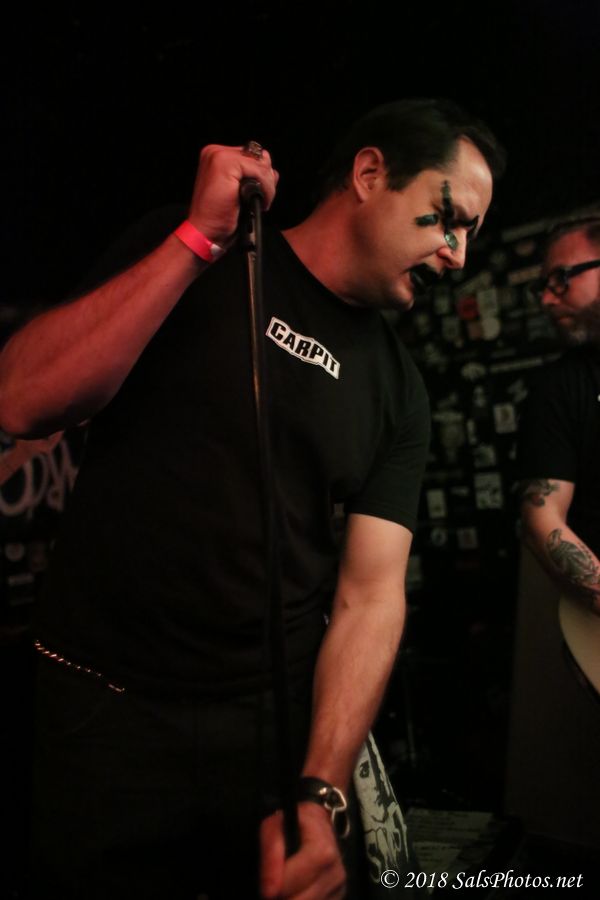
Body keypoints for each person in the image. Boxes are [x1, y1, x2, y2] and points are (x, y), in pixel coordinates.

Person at [0, 99, 500, 899]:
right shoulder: (195, 250)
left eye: (470, 235)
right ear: (370, 174)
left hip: (268, 727)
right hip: (103, 711)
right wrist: (198, 241)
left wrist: (322, 787)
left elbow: (371, 596)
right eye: (450, 220)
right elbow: (21, 399)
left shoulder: (400, 392)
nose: (459, 254)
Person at [518, 216, 600, 696]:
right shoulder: (559, 388)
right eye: (543, 287)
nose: (547, 300)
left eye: (561, 279)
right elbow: (541, 517)